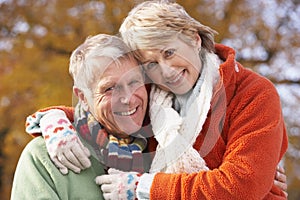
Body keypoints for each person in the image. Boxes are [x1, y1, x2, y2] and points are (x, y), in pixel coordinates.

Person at [22, 1, 288, 199]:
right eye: (151, 63)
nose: (166, 71)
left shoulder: (252, 92)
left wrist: (144, 187)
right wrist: (54, 118)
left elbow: (242, 186)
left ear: (194, 38)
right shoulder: (157, 100)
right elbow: (107, 113)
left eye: (169, 52)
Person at [11, 34, 151, 200]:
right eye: (110, 88)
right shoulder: (43, 157)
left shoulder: (164, 145)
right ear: (83, 98)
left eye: (134, 82)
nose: (128, 98)